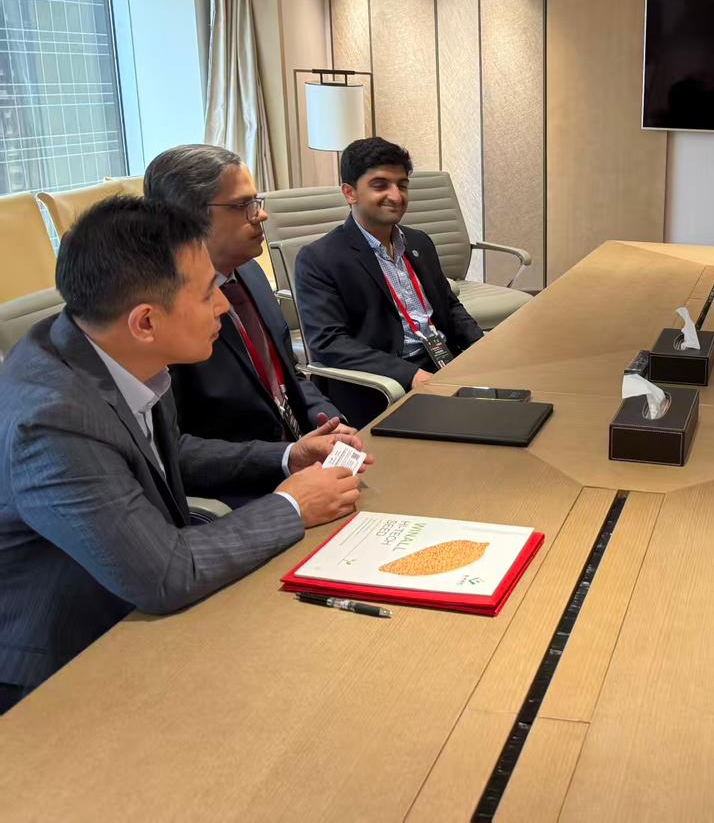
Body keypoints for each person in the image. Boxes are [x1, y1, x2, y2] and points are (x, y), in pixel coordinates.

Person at [0, 198, 368, 713]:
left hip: (139, 608)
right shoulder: (53, 420)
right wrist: (292, 505)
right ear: (146, 321)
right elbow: (164, 573)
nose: (224, 306)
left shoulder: (115, 349)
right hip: (64, 663)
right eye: (208, 292)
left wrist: (287, 457)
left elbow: (164, 455)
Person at [143, 144, 345, 447]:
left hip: (302, 449)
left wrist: (329, 421)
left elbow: (288, 376)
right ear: (187, 217)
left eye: (256, 201)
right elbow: (172, 449)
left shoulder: (250, 272)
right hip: (247, 472)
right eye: (242, 205)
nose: (261, 214)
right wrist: (285, 459)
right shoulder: (160, 313)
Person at [294, 137, 484, 427]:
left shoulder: (419, 242)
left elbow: (449, 305)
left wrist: (483, 347)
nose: (396, 196)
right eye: (380, 185)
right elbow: (329, 342)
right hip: (384, 382)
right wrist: (410, 375)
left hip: (442, 361)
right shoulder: (319, 259)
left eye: (402, 185)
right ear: (349, 193)